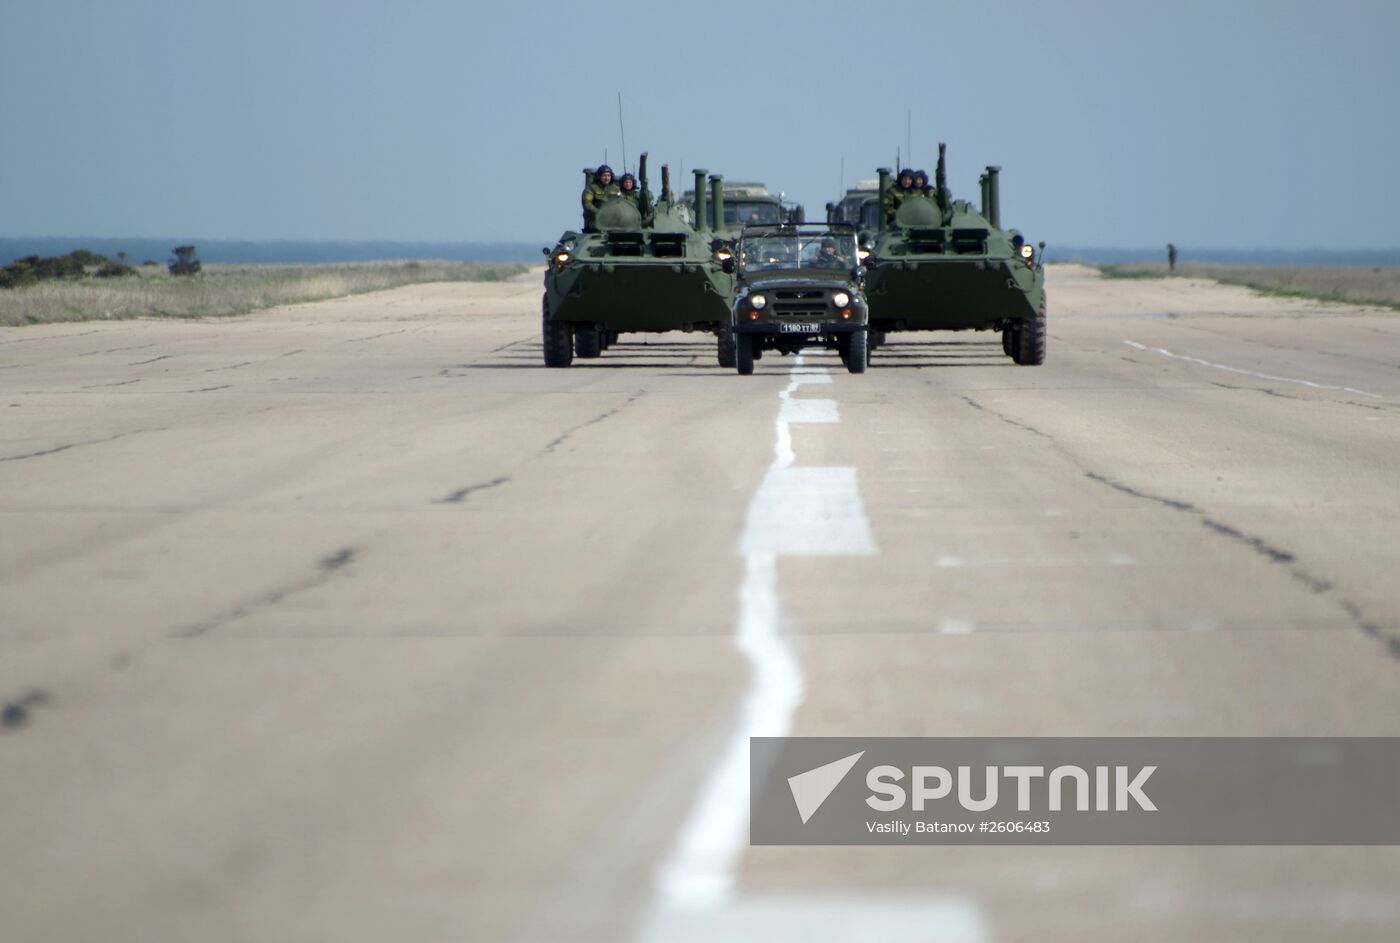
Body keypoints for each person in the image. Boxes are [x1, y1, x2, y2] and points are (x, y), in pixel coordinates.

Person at [582, 165, 621, 230]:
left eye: (609, 175)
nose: (607, 178)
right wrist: (599, 213)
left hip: (614, 221)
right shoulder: (591, 188)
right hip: (595, 221)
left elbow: (621, 202)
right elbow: (587, 204)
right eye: (604, 175)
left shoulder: (616, 189)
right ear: (599, 176)